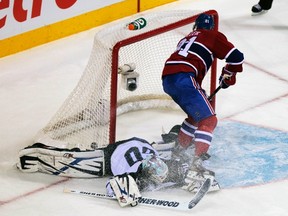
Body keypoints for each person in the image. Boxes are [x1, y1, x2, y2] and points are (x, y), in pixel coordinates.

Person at [161, 13, 244, 192]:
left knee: (195, 116)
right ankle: (195, 168)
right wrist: (229, 73)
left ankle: (178, 155)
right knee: (209, 120)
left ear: (195, 27)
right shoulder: (213, 35)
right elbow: (237, 57)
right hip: (184, 77)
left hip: (168, 79)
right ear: (212, 27)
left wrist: (226, 76)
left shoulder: (185, 39)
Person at [17, 136, 195, 207]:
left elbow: (178, 166)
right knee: (80, 162)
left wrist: (188, 175)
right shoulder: (132, 171)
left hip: (139, 143)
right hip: (112, 154)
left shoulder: (159, 162)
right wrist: (127, 190)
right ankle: (38, 150)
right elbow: (113, 187)